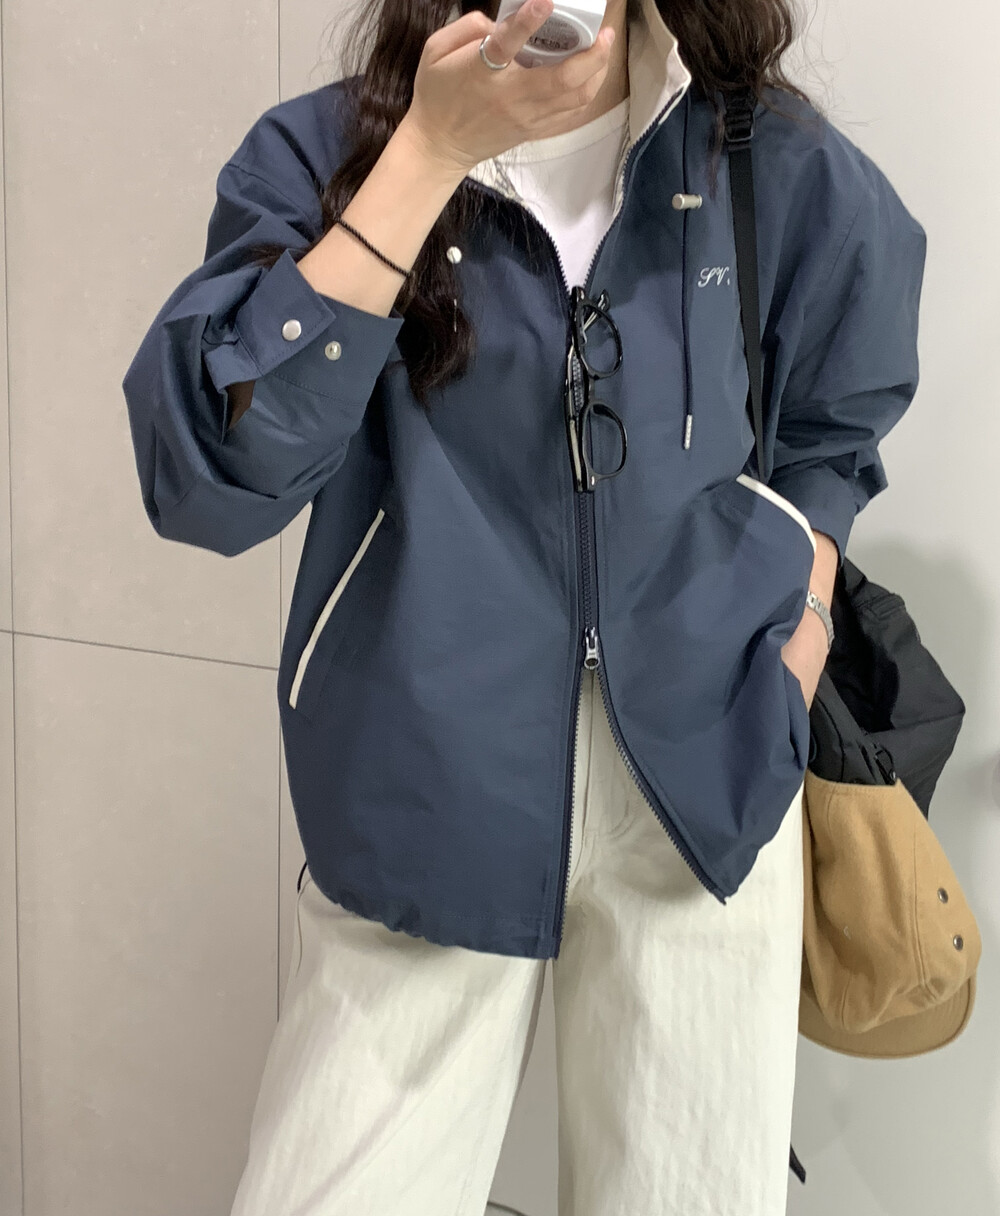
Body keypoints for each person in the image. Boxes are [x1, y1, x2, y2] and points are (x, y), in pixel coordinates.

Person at [121, 0, 927, 1211]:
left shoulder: (758, 154)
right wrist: (430, 151)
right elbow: (214, 481)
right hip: (423, 779)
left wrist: (799, 634)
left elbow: (833, 421)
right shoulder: (330, 152)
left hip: (706, 786)